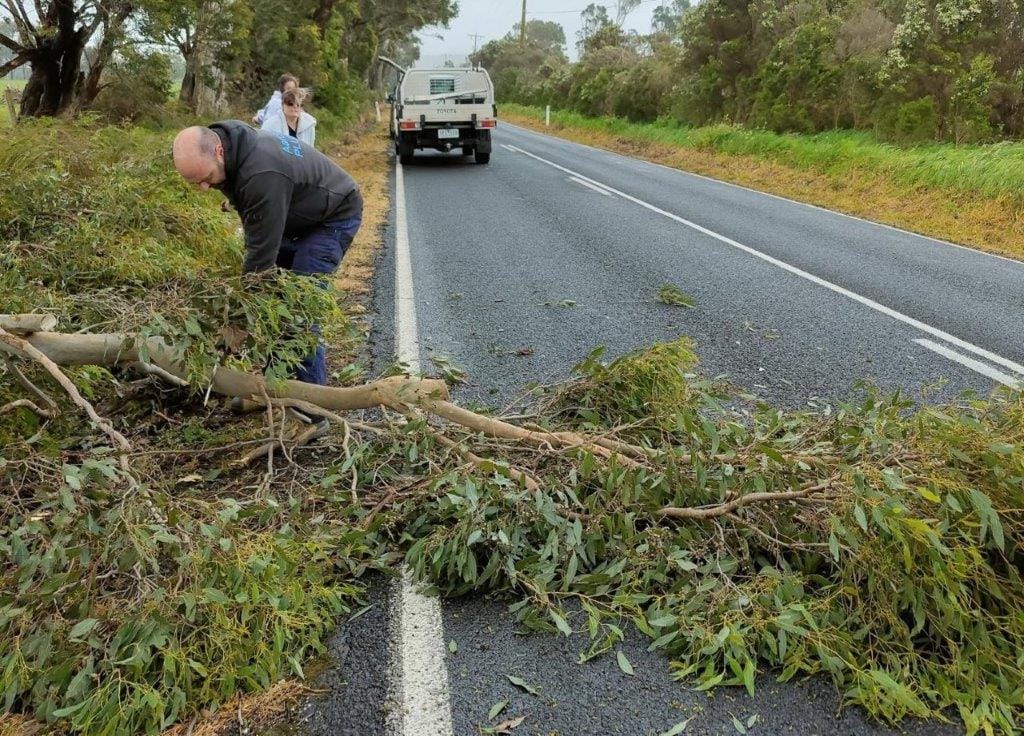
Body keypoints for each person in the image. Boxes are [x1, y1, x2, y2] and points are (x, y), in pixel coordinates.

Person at [171, 121, 363, 433]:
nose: (205, 188)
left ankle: (312, 413)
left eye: (206, 179)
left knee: (299, 310)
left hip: (331, 218)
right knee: (274, 301)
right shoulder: (233, 151)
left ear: (218, 151)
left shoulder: (261, 173)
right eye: (197, 183)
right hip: (295, 216)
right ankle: (275, 391)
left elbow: (259, 262)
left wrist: (237, 324)